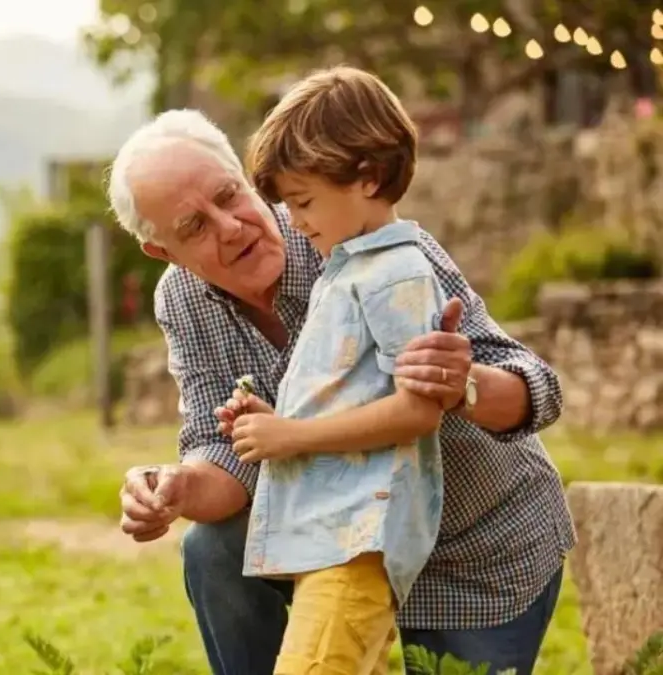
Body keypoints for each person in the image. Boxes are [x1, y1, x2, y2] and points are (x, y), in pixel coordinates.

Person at [106, 103, 575, 672]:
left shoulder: (361, 234)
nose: (229, 227)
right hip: (335, 540)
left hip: (471, 543)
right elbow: (224, 451)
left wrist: (462, 383)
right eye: (194, 228)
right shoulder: (182, 299)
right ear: (163, 252)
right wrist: (177, 488)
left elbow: (537, 389)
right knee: (212, 549)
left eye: (229, 196)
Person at [225, 65, 450, 674]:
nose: (295, 222)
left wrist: (292, 436)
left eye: (303, 202)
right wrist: (273, 422)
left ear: (368, 177)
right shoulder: (347, 269)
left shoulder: (397, 273)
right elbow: (352, 395)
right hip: (330, 539)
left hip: (357, 541)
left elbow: (418, 410)